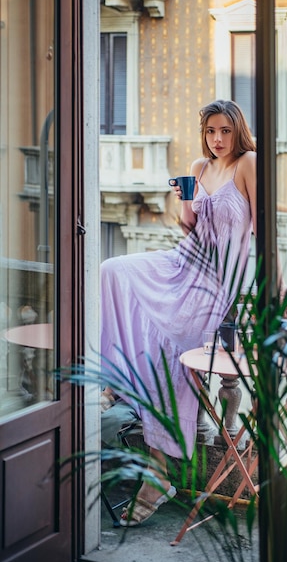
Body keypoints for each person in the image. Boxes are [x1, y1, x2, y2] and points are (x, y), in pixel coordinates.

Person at [100, 99, 256, 526]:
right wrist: (184, 199)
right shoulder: (199, 166)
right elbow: (188, 226)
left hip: (221, 278)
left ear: (236, 130)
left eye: (224, 131)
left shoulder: (249, 164)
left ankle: (158, 476)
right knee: (112, 270)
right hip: (185, 261)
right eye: (210, 132)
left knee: (174, 351)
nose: (217, 139)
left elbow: (256, 230)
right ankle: (115, 379)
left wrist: (261, 290)